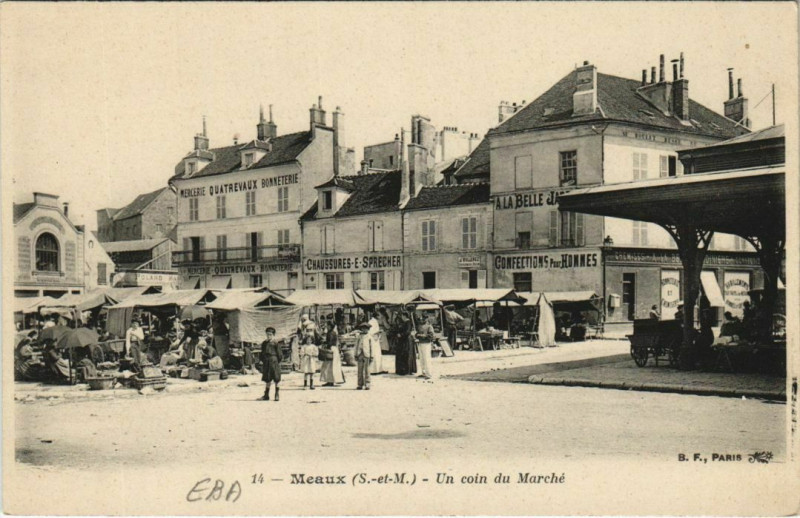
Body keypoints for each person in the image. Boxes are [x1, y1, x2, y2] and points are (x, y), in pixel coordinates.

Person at [319, 319, 345, 386]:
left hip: (331, 349)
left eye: (327, 325)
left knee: (328, 366)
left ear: (330, 326)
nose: (326, 326)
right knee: (333, 366)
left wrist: (325, 344)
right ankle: (331, 380)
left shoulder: (330, 333)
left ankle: (330, 381)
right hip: (334, 349)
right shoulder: (333, 332)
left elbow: (330, 342)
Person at [259, 327, 282, 401]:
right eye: (267, 334)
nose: (269, 336)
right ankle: (266, 395)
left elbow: (280, 355)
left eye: (270, 334)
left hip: (274, 361)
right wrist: (262, 360)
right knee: (267, 378)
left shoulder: (276, 343)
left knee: (276, 378)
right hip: (266, 361)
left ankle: (277, 395)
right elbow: (262, 353)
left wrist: (276, 361)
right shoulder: (264, 343)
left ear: (273, 335)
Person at [394, 307, 417, 376]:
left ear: (405, 316)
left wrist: (401, 335)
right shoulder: (404, 322)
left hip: (406, 340)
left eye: (402, 316)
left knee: (406, 354)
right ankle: (402, 369)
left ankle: (406, 370)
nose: (402, 317)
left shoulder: (408, 322)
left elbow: (407, 332)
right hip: (402, 340)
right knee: (402, 354)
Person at [300, 325, 319, 390]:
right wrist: (305, 354)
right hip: (306, 360)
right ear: (305, 341)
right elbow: (301, 353)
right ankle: (305, 385)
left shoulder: (313, 346)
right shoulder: (304, 346)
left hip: (311, 360)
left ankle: (311, 384)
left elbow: (316, 353)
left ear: (311, 341)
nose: (308, 341)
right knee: (306, 372)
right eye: (307, 340)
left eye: (310, 340)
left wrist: (313, 355)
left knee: (311, 372)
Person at [416, 315, 435, 379]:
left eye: (424, 318)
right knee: (421, 359)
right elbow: (417, 334)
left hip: (426, 344)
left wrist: (424, 335)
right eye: (422, 318)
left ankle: (429, 373)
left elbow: (431, 336)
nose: (422, 319)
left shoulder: (429, 326)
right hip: (420, 343)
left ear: (427, 319)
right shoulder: (419, 326)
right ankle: (423, 372)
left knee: (427, 359)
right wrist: (417, 335)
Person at [354, 323, 373, 390]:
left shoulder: (369, 337)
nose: (364, 330)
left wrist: (372, 355)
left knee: (367, 370)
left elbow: (371, 347)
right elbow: (356, 346)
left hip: (367, 354)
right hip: (360, 354)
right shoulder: (359, 336)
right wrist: (355, 354)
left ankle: (367, 384)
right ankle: (360, 384)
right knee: (360, 370)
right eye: (363, 328)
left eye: (366, 329)